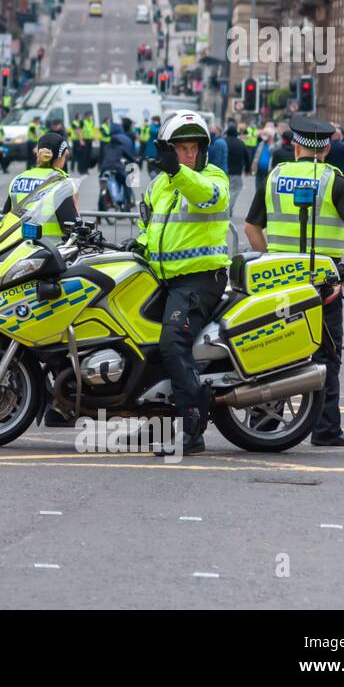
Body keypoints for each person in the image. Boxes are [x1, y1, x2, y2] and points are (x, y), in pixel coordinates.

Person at [244, 116, 344, 448]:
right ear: (326, 147)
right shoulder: (334, 181)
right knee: (326, 354)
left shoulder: (275, 176)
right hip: (322, 282)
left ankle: (265, 422)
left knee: (274, 351)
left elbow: (251, 227)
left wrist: (270, 258)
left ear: (295, 146)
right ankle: (325, 428)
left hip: (279, 281)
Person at [133, 111, 231, 456]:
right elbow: (150, 226)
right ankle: (148, 421)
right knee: (138, 338)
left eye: (194, 148)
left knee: (173, 344)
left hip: (200, 281)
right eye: (181, 149)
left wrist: (177, 170)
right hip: (166, 279)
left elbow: (208, 196)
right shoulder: (160, 184)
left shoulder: (212, 177)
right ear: (169, 149)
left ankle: (192, 430)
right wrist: (136, 246)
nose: (189, 155)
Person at [4, 132, 78, 237]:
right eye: (65, 156)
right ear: (60, 157)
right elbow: (70, 226)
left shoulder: (18, 179)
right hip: (49, 248)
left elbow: (4, 219)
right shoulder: (61, 183)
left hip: (17, 247)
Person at [224, 125, 250, 219]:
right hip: (236, 172)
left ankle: (225, 207)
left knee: (225, 190)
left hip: (224, 171)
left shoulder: (223, 142)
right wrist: (247, 170)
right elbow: (247, 157)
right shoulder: (240, 143)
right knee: (235, 190)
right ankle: (229, 208)